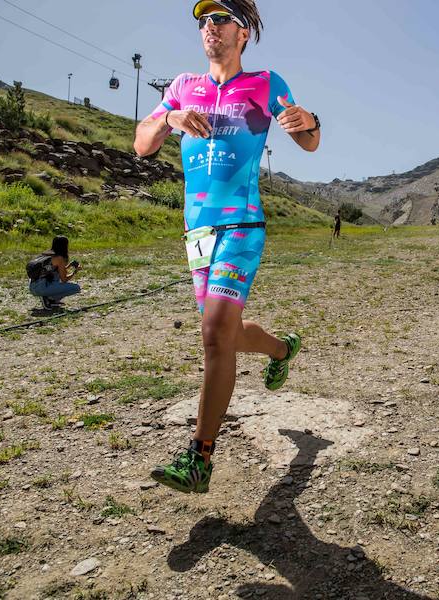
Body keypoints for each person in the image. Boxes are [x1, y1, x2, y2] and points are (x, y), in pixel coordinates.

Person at [134, 0, 320, 494]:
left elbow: (308, 142)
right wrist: (171, 119)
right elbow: (142, 143)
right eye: (203, 20)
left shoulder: (265, 84)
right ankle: (282, 348)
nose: (209, 27)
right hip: (197, 232)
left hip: (242, 224)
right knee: (227, 333)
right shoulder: (180, 88)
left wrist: (309, 121)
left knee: (214, 333)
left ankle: (199, 457)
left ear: (243, 34)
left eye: (220, 19)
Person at [28, 236, 81, 310]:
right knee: (76, 288)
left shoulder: (45, 254)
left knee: (55, 275)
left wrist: (68, 266)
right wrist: (75, 272)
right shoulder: (60, 258)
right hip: (42, 288)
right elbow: (64, 280)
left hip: (32, 287)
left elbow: (50, 270)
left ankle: (49, 299)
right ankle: (50, 299)